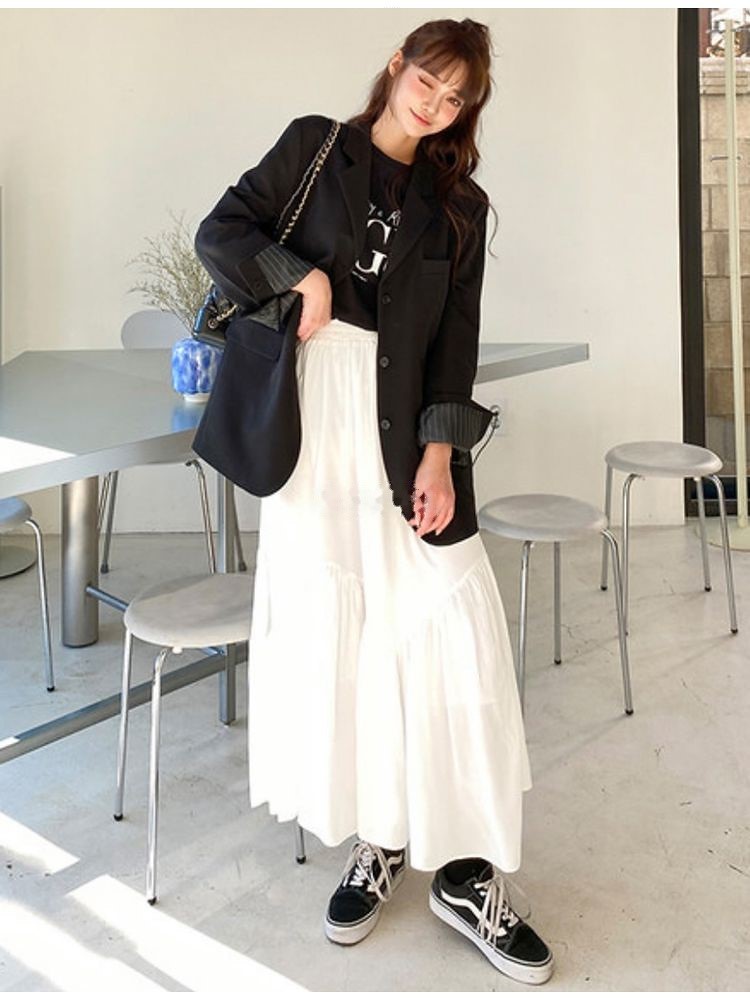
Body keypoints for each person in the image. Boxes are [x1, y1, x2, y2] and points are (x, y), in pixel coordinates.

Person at [193, 17, 553, 987]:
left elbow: (455, 342)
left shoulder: (460, 204)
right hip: (313, 428)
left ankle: (467, 871)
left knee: (452, 630)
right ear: (398, 67)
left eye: (457, 97)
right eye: (428, 81)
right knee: (349, 641)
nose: (437, 104)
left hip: (405, 440)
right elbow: (221, 231)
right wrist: (300, 275)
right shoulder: (315, 147)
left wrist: (440, 454)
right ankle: (382, 837)